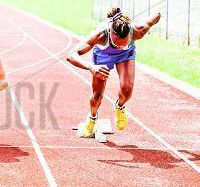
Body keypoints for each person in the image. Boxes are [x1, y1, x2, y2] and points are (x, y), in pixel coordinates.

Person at [67, 7, 161, 138]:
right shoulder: (100, 35)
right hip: (103, 55)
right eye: (117, 44)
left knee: (127, 89)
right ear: (111, 32)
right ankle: (92, 117)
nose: (119, 46)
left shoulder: (138, 31)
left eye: (124, 43)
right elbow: (71, 55)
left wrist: (157, 15)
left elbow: (156, 15)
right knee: (97, 96)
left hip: (126, 55)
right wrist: (91, 67)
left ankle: (120, 107)